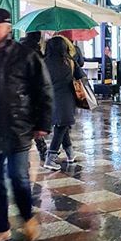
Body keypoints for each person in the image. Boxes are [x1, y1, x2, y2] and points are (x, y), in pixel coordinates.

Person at [0, 8, 53, 241]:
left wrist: (42, 123)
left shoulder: (25, 55)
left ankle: (28, 219)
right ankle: (0, 229)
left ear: (8, 28)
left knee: (18, 178)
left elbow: (43, 90)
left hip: (17, 127)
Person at [43, 37, 85, 170]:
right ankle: (50, 158)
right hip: (66, 99)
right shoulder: (69, 62)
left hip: (49, 100)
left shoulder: (44, 62)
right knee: (61, 128)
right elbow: (80, 76)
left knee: (63, 126)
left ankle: (70, 154)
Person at [19, 32, 49, 164]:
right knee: (33, 129)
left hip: (20, 96)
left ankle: (24, 157)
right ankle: (42, 153)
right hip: (32, 97)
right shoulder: (36, 52)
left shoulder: (18, 47)